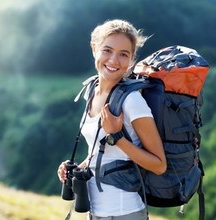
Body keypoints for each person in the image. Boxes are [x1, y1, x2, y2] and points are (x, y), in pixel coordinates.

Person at [57, 19, 166, 220]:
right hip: (96, 211)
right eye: (107, 50)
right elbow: (102, 152)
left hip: (125, 211)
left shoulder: (132, 101)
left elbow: (159, 165)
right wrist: (77, 168)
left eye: (123, 54)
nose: (114, 60)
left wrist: (118, 136)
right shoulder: (91, 90)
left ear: (132, 58)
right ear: (94, 49)